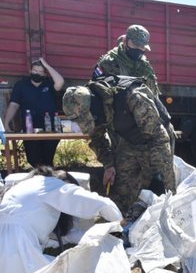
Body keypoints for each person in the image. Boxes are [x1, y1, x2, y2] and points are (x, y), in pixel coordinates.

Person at [0, 166, 122, 273]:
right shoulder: (52, 185)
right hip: (17, 244)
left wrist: (100, 235)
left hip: (9, 242)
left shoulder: (26, 186)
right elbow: (98, 203)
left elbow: (67, 235)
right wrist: (120, 222)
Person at [62, 75, 176, 214]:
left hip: (154, 138)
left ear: (93, 105)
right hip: (128, 140)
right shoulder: (95, 106)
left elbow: (158, 137)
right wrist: (109, 165)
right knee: (120, 188)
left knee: (159, 192)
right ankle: (120, 222)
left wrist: (161, 177)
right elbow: (97, 138)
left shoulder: (133, 97)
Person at [3, 58, 64, 167]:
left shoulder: (49, 84)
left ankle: (48, 178)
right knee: (33, 159)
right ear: (30, 71)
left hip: (50, 129)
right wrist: (6, 123)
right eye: (35, 71)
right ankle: (42, 176)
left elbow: (60, 82)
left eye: (41, 72)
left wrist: (47, 65)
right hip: (30, 129)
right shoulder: (21, 85)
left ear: (45, 74)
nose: (37, 74)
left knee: (47, 160)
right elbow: (13, 105)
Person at [93, 24, 160, 97]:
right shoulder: (109, 62)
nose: (139, 49)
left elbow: (153, 96)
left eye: (142, 47)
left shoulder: (145, 68)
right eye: (135, 45)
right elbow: (96, 89)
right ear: (125, 41)